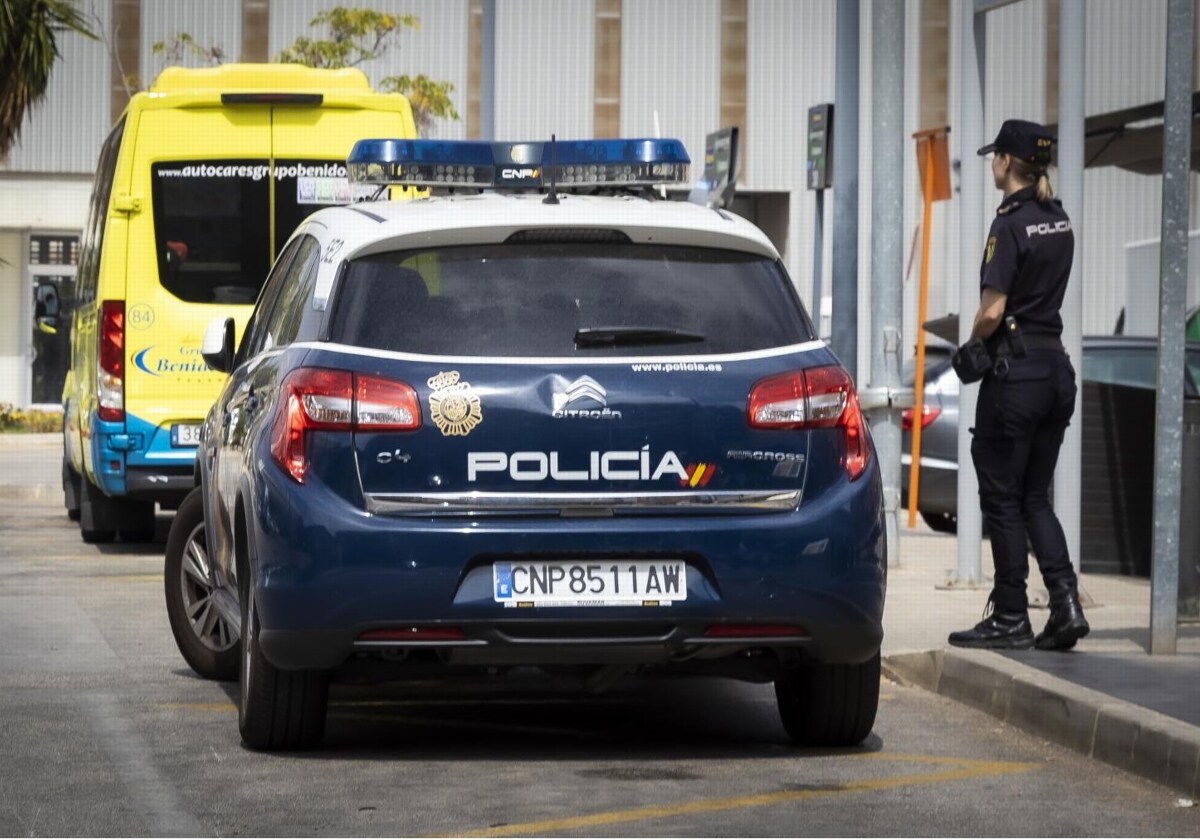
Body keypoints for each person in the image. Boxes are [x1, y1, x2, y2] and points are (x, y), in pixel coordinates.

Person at [948, 119, 1090, 651]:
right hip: (1056, 371)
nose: (991, 164)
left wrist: (971, 346)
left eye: (994, 157)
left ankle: (1010, 614)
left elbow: (994, 309)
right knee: (1035, 498)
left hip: (1017, 378)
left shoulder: (1007, 224)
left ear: (1008, 163)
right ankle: (1066, 603)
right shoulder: (1059, 219)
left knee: (1003, 500)